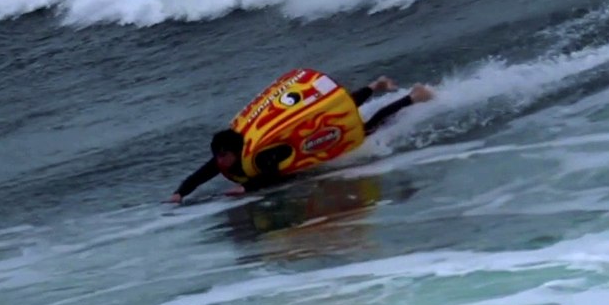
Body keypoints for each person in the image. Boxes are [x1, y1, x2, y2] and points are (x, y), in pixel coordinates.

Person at [168, 76, 434, 203]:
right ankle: (376, 85)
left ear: (234, 152)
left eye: (223, 156)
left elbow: (273, 175)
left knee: (363, 129)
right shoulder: (227, 155)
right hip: (301, 133)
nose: (219, 161)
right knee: (337, 107)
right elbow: (202, 174)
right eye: (218, 156)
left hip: (306, 137)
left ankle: (413, 97)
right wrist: (180, 192)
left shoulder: (259, 155)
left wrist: (247, 188)